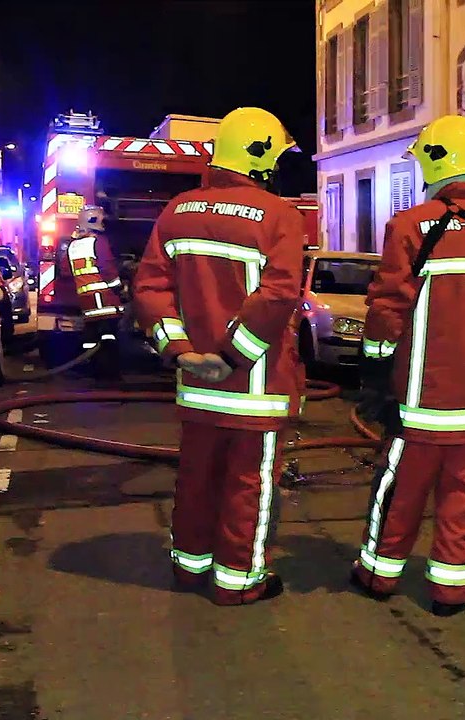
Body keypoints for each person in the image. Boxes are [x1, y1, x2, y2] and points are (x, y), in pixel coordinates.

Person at [350, 114, 465, 617]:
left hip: (420, 401)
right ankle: (450, 592)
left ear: (435, 165)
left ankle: (378, 574)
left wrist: (374, 375)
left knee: (401, 491)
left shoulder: (411, 227)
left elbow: (387, 310)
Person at [133, 107, 305, 606]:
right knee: (248, 488)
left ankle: (189, 568)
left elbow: (149, 288)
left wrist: (182, 351)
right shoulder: (279, 217)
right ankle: (238, 582)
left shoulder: (177, 211)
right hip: (256, 390)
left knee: (197, 480)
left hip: (198, 390)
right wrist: (231, 357)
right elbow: (277, 298)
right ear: (263, 158)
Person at [69, 205, 125, 380]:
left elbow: (67, 270)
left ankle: (92, 370)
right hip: (104, 301)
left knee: (91, 339)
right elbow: (107, 268)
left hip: (86, 302)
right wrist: (120, 288)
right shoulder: (98, 242)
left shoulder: (74, 245)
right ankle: (109, 375)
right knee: (109, 338)